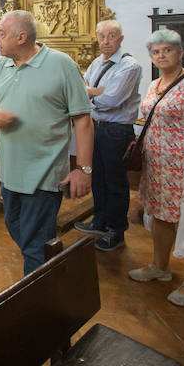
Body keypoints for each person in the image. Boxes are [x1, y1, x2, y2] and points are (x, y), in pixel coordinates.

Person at [0, 10, 93, 276]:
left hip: (45, 175)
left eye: (1, 34)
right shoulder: (0, 66)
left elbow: (83, 120)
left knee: (35, 246)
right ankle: (51, 274)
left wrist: (83, 169)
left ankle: (39, 305)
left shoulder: (61, 64)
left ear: (22, 37)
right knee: (23, 234)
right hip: (10, 174)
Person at [128, 29, 184, 308]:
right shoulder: (153, 84)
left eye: (167, 50)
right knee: (160, 216)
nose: (161, 55)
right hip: (158, 166)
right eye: (156, 52)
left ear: (181, 53)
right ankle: (160, 266)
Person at [75, 20, 142, 252]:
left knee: (115, 181)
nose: (106, 41)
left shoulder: (129, 66)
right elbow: (82, 87)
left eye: (111, 36)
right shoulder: (96, 62)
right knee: (98, 177)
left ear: (120, 39)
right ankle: (100, 220)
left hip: (116, 131)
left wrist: (91, 93)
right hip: (96, 126)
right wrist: (95, 92)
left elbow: (112, 100)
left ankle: (116, 229)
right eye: (101, 36)